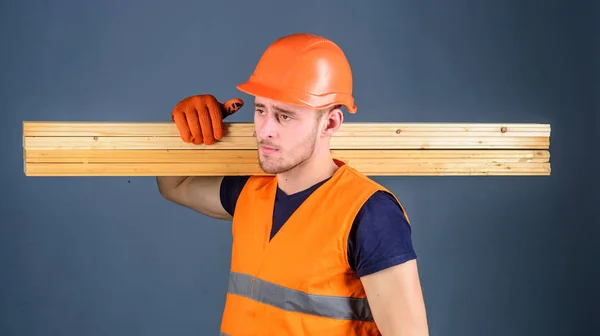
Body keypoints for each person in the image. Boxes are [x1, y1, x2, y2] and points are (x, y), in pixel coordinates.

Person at [157, 33, 429, 335]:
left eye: (284, 116)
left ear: (330, 123)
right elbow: (174, 185)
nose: (265, 130)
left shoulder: (369, 214)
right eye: (260, 110)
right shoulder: (250, 193)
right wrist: (181, 132)